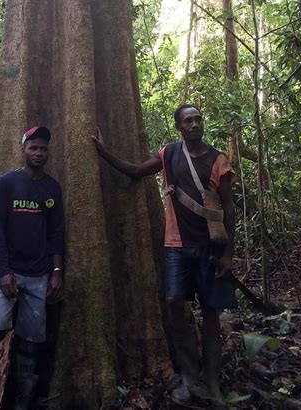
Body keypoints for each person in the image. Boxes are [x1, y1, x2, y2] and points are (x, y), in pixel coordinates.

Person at [92, 105, 235, 406]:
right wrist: (103, 152)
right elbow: (134, 171)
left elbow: (229, 208)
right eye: (188, 121)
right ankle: (188, 376)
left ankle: (212, 380)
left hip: (210, 248)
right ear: (179, 127)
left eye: (198, 119)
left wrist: (228, 254)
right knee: (172, 301)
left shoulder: (218, 160)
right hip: (176, 246)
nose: (194, 124)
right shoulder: (169, 154)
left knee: (211, 313)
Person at [0, 126, 65, 409]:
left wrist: (57, 272)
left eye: (43, 148)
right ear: (24, 149)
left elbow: (57, 233)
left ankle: (24, 393)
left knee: (31, 337)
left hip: (39, 274)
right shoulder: (7, 183)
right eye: (34, 148)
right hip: (7, 272)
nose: (39, 153)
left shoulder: (52, 187)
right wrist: (3, 271)